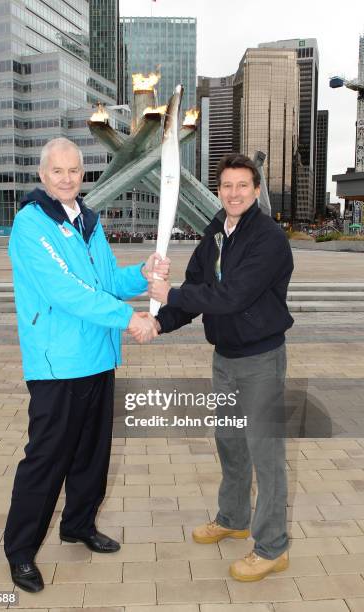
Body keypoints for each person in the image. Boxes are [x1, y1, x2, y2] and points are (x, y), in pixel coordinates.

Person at [5, 137, 166, 593]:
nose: (67, 178)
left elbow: (106, 280)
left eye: (74, 170)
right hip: (58, 364)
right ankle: (19, 551)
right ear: (43, 175)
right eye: (57, 171)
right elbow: (66, 291)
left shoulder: (89, 223)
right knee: (46, 460)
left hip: (98, 358)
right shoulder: (30, 225)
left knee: (92, 456)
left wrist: (144, 271)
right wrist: (128, 319)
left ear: (83, 174)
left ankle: (78, 525)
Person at [148, 153, 294, 582]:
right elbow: (197, 289)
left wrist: (170, 295)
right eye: (226, 186)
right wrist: (159, 322)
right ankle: (233, 517)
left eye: (242, 186)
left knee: (266, 455)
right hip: (225, 359)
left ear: (256, 189)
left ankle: (272, 548)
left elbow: (231, 296)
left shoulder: (268, 239)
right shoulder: (214, 233)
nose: (233, 193)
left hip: (261, 360)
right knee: (230, 444)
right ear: (219, 190)